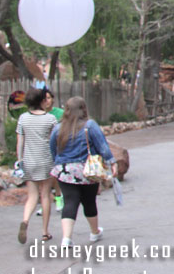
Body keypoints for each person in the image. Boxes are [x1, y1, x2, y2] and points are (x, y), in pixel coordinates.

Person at [49, 97, 117, 247]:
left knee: (70, 201)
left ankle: (66, 238)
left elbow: (53, 149)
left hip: (65, 170)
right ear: (83, 109)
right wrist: (112, 162)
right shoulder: (90, 125)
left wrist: (58, 164)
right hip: (87, 170)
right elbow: (102, 146)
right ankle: (94, 232)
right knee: (89, 201)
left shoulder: (57, 128)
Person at [16, 87, 57, 243]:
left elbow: (20, 142)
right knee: (45, 195)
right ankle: (45, 232)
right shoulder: (50, 119)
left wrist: (20, 160)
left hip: (29, 161)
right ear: (42, 101)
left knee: (32, 195)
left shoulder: (23, 119)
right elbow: (54, 142)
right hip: (46, 161)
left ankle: (25, 220)